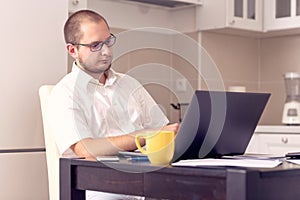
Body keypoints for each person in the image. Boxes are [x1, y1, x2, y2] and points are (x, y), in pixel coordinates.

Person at [48, 9, 179, 200]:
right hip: (99, 189)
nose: (106, 52)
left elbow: (161, 131)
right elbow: (85, 149)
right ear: (72, 50)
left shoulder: (129, 84)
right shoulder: (65, 92)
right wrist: (142, 137)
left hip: (148, 183)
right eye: (95, 45)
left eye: (108, 41)